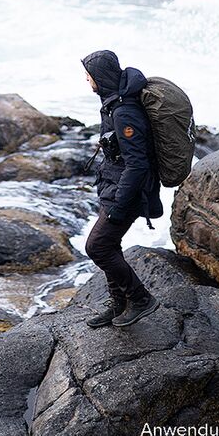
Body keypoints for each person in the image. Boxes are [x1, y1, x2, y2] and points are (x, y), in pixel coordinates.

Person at [81, 49, 162, 328]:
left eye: (89, 76)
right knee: (108, 244)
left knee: (97, 247)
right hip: (113, 185)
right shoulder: (114, 102)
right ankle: (119, 305)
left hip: (126, 191)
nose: (87, 82)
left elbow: (137, 164)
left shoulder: (124, 112)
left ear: (100, 78)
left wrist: (119, 205)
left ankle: (140, 299)